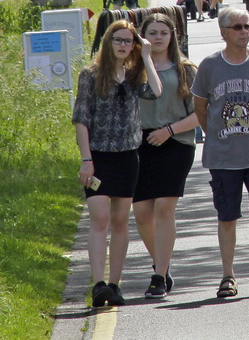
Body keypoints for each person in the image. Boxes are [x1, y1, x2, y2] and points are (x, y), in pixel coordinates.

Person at [192, 7, 249, 298]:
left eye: (247, 26)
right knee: (227, 216)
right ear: (223, 32)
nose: (245, 31)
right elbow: (201, 108)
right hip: (223, 155)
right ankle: (228, 275)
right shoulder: (208, 66)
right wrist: (218, 134)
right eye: (238, 27)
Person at [73, 20, 161, 307]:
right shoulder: (91, 75)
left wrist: (146, 55)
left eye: (128, 41)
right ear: (108, 42)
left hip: (127, 157)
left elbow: (156, 92)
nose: (123, 45)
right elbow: (82, 120)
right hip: (98, 157)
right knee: (100, 219)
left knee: (121, 221)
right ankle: (99, 284)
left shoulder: (135, 76)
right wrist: (86, 160)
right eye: (118, 40)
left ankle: (114, 284)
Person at [133, 14, 198, 300]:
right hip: (139, 144)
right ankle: (163, 262)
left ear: (172, 36)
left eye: (163, 32)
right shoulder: (134, 69)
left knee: (163, 209)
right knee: (142, 214)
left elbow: (200, 114)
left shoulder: (186, 69)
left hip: (176, 142)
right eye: (152, 33)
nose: (158, 37)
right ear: (142, 37)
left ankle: (158, 277)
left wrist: (169, 131)